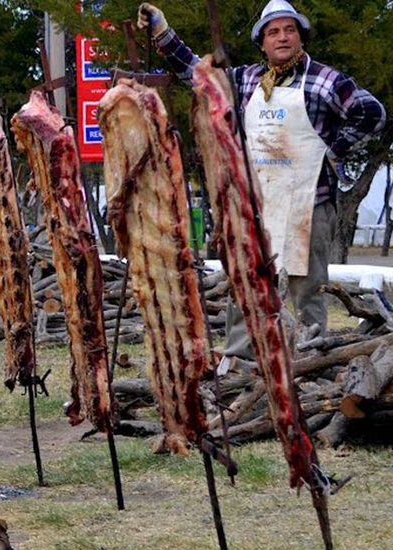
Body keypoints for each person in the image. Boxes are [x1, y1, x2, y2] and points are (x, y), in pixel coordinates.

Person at [138, 0, 386, 360]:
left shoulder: (326, 80)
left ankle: (308, 363)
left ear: (300, 37)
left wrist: (334, 149)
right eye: (273, 31)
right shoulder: (244, 79)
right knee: (245, 285)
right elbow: (196, 74)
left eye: (289, 30)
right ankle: (240, 362)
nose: (282, 37)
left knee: (306, 292)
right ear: (262, 42)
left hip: (309, 205)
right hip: (256, 205)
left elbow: (372, 113)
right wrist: (163, 33)